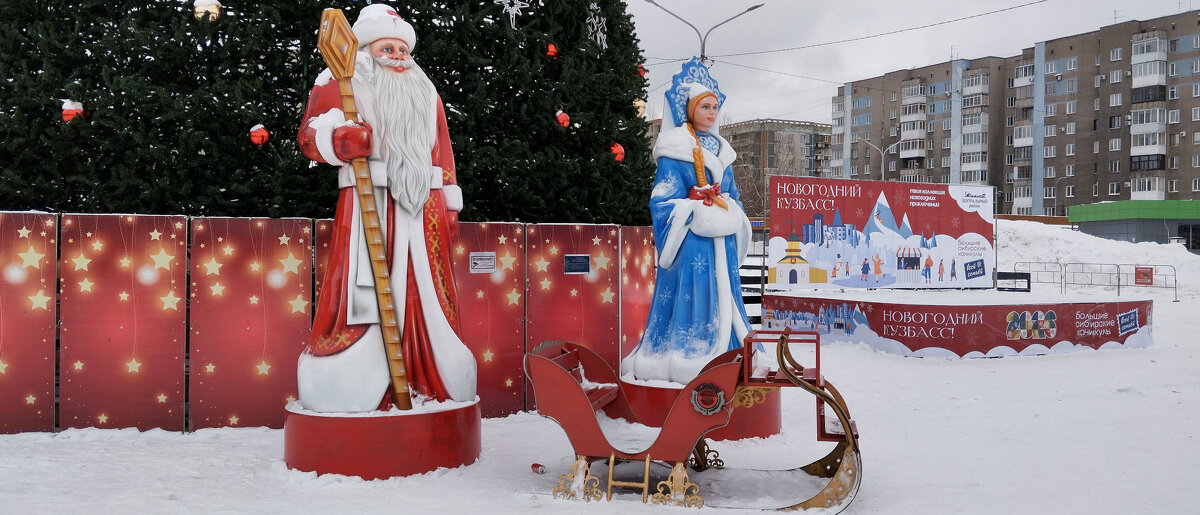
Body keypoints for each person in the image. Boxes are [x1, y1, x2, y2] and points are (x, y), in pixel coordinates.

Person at [295, 4, 476, 412]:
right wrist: (339, 139)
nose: (397, 56)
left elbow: (443, 151)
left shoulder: (425, 91)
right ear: (366, 49)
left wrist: (449, 200)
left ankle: (431, 379)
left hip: (425, 209)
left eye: (402, 49)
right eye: (387, 48)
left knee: (429, 295)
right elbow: (310, 134)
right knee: (365, 296)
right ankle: (357, 378)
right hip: (369, 205)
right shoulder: (343, 79)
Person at [622, 72, 752, 384]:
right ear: (691, 109)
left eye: (715, 107)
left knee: (727, 296)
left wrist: (729, 206)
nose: (712, 113)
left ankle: (731, 349)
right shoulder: (675, 148)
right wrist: (692, 208)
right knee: (694, 293)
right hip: (692, 240)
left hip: (722, 239)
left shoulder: (723, 150)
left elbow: (732, 194)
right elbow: (662, 199)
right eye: (705, 107)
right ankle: (684, 352)